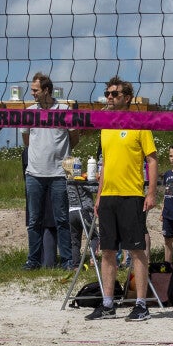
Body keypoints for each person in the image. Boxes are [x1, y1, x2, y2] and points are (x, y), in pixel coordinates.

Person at [87, 76, 156, 320]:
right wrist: (99, 196)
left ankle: (141, 304)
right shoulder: (106, 126)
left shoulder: (140, 123)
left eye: (114, 94)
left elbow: (152, 160)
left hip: (132, 195)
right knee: (107, 251)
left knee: (136, 251)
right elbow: (105, 164)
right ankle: (107, 304)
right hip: (108, 196)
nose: (109, 97)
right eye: (107, 93)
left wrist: (151, 192)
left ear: (127, 98)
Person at [21, 72, 74, 268]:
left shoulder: (65, 110)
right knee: (34, 220)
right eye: (32, 90)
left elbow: (74, 138)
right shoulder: (29, 112)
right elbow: (26, 140)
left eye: (35, 90)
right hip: (34, 174)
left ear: (46, 90)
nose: (32, 93)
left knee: (62, 219)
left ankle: (67, 260)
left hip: (59, 174)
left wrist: (60, 154)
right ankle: (33, 260)